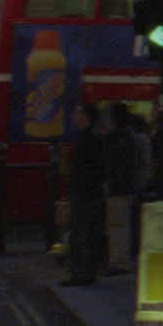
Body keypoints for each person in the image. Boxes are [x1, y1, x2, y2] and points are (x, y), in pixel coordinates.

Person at [64, 103, 108, 286]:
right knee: (90, 233)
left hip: (85, 193)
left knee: (81, 233)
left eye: (77, 112)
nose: (74, 115)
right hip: (93, 192)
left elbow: (84, 168)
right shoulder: (96, 137)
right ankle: (87, 272)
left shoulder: (86, 139)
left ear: (85, 116)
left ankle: (80, 273)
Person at [103, 101, 150, 273]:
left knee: (119, 226)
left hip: (120, 187)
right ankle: (127, 258)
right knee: (130, 224)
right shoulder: (135, 138)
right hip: (132, 186)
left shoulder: (118, 138)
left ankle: (119, 262)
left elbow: (116, 165)